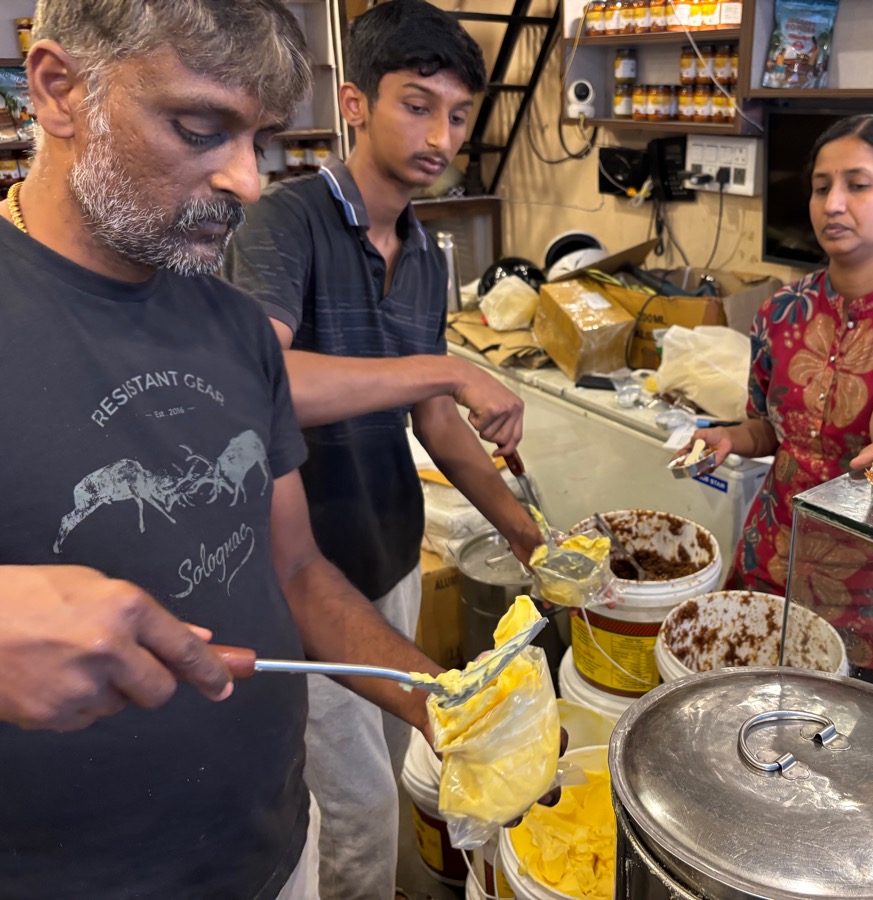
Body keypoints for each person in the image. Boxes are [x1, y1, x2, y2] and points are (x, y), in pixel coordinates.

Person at [0, 3, 464, 897]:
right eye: (199, 129)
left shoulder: (233, 325)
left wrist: (445, 699)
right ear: (59, 90)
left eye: (261, 139)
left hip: (275, 850)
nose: (248, 181)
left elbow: (296, 569)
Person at [223, 3, 542, 897]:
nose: (442, 137)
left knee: (395, 770)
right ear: (356, 103)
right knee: (354, 810)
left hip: (390, 553)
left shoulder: (426, 253)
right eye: (417, 105)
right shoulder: (285, 222)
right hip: (305, 576)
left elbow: (434, 419)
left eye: (458, 115)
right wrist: (446, 367)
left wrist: (530, 538)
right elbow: (261, 381)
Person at [692, 114, 873, 686]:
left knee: (850, 733)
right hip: (775, 557)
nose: (833, 204)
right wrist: (728, 438)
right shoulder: (780, 310)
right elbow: (769, 429)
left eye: (858, 185)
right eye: (822, 187)